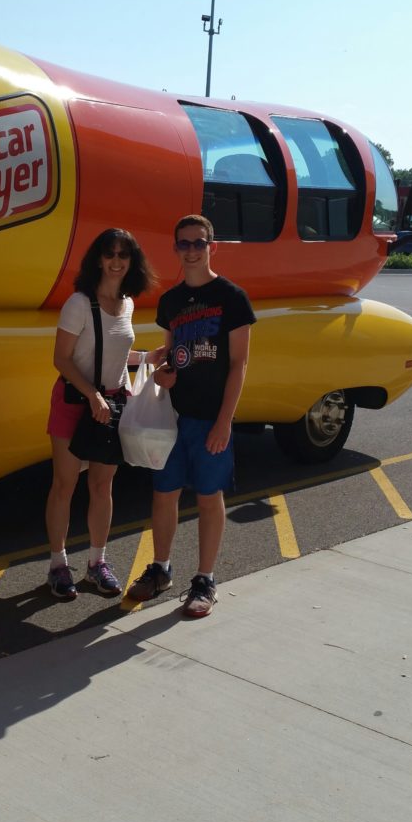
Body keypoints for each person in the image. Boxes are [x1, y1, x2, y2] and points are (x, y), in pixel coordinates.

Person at [126, 214, 255, 618]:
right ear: (176, 249)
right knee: (163, 494)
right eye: (185, 243)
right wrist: (164, 377)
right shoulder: (171, 301)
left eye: (200, 243)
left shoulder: (232, 298)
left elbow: (239, 365)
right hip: (174, 418)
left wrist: (224, 421)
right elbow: (170, 357)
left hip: (209, 418)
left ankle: (205, 579)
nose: (193, 250)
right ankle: (161, 568)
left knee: (208, 496)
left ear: (212, 246)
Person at [45, 228, 163, 600]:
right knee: (65, 485)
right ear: (98, 258)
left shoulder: (126, 303)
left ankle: (97, 563)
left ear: (132, 262)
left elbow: (110, 353)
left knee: (102, 486)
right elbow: (61, 359)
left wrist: (145, 358)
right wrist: (92, 395)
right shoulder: (79, 303)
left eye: (123, 256)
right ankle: (58, 564)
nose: (116, 262)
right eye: (109, 254)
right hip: (75, 402)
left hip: (110, 405)